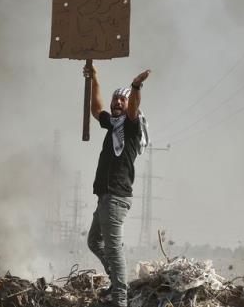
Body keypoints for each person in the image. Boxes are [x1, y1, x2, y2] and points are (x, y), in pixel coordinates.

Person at [84, 63, 150, 307]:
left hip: (116, 196)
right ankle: (116, 281)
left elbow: (133, 109)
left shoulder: (131, 126)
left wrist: (134, 87)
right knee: (94, 241)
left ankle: (120, 299)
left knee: (113, 249)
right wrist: (94, 78)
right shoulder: (112, 124)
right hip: (105, 196)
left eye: (121, 100)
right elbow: (95, 109)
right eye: (116, 100)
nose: (117, 103)